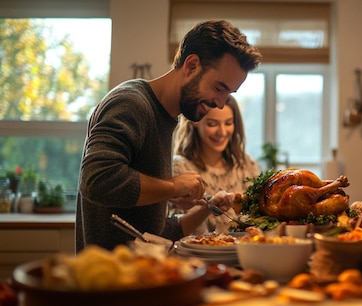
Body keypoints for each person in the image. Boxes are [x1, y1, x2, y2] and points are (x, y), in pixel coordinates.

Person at [75, 20, 262, 252]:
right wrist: (173, 187)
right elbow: (96, 181)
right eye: (219, 88)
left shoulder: (165, 119)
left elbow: (155, 234)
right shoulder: (131, 103)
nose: (221, 103)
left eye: (229, 94)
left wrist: (207, 208)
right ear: (192, 66)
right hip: (110, 281)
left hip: (143, 276)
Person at [171, 95, 260, 234]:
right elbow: (172, 229)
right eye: (212, 124)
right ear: (195, 123)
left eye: (228, 123)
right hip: (195, 255)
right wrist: (208, 208)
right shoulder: (179, 168)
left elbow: (259, 218)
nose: (222, 132)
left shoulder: (246, 165)